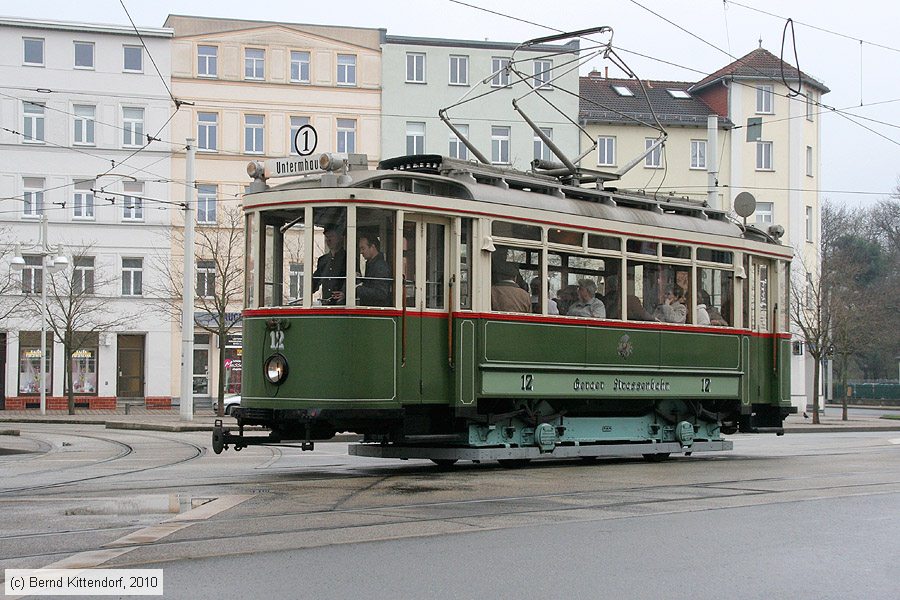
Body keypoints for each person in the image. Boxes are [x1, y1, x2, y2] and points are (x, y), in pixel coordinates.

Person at [311, 226, 346, 305]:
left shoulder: (349, 259)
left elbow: (357, 282)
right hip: (326, 306)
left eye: (331, 236)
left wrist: (345, 294)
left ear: (340, 238)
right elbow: (316, 281)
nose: (328, 240)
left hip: (342, 307)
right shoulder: (323, 260)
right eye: (327, 237)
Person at [357, 234, 392, 306]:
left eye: (363, 248)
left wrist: (358, 289)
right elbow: (371, 285)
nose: (361, 252)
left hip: (377, 310)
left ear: (372, 247)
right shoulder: (371, 264)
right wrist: (360, 279)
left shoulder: (381, 266)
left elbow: (381, 293)